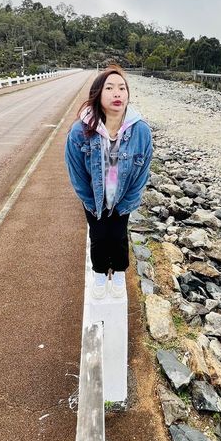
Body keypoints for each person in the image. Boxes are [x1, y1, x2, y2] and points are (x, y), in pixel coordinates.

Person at [65, 65, 153, 299]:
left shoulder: (141, 131)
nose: (117, 93)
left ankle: (120, 273)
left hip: (123, 196)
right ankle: (101, 273)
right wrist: (89, 201)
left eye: (122, 88)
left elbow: (143, 170)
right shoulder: (79, 131)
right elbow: (77, 173)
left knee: (118, 235)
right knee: (99, 235)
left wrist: (129, 201)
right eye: (110, 88)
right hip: (94, 198)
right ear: (98, 94)